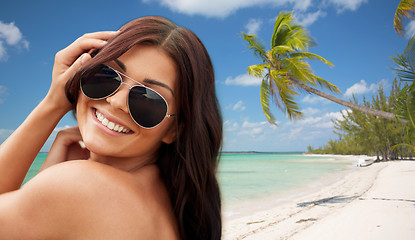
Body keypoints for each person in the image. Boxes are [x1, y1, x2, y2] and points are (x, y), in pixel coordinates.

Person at [0, 16, 222, 240]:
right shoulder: (165, 199)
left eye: (149, 99)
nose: (117, 102)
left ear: (174, 129)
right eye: (106, 76)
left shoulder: (79, 188)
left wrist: (52, 104)